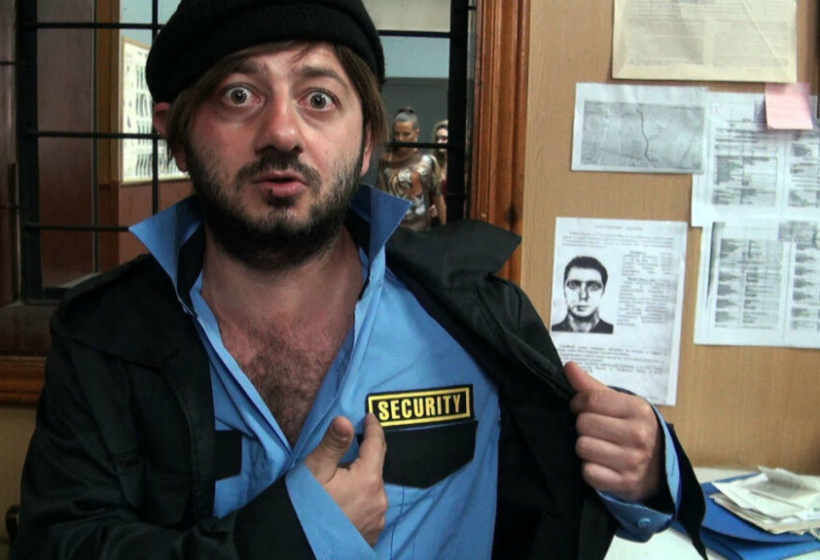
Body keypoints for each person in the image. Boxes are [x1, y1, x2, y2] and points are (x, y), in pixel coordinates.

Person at [11, 0, 706, 558]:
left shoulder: (477, 319)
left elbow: (582, 497)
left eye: (318, 98)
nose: (282, 132)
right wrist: (288, 540)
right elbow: (58, 543)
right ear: (177, 135)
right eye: (239, 94)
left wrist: (651, 468)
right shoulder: (103, 340)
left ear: (369, 138)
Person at [377, 107, 446, 231]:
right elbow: (381, 200)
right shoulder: (386, 160)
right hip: (393, 231)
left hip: (421, 230)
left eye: (406, 134)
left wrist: (447, 231)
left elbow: (438, 199)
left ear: (416, 133)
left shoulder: (428, 162)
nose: (401, 138)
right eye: (397, 134)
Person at [552, 255, 615, 334]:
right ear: (564, 289)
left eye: (593, 287)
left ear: (603, 291)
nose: (583, 296)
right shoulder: (550, 331)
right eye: (573, 285)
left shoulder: (612, 332)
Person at [431, 118, 448, 186]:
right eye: (437, 138)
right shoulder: (433, 163)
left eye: (444, 138)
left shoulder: (461, 165)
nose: (439, 142)